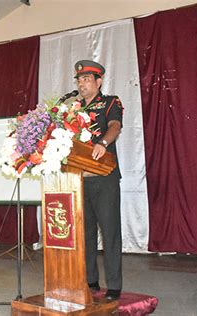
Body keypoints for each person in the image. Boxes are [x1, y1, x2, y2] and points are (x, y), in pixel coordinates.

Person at [74, 60, 123, 300]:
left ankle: (113, 286)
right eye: (79, 80)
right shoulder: (72, 107)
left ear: (98, 81)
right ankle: (90, 281)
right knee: (85, 234)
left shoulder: (110, 102)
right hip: (79, 178)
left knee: (110, 230)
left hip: (104, 177)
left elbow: (115, 125)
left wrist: (103, 143)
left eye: (86, 79)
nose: (81, 84)